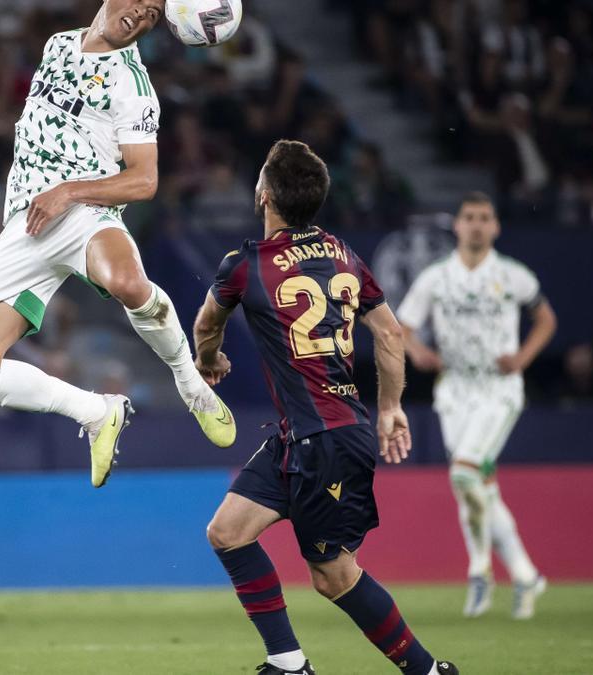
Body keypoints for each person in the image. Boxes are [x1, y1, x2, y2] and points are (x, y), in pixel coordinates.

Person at [0, 0, 236, 490]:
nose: (140, 15)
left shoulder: (135, 87)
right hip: (26, 224)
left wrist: (68, 192)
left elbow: (144, 181)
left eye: (151, 15)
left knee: (126, 282)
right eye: (138, 3)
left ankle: (191, 386)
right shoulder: (57, 44)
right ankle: (97, 412)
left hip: (85, 211)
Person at [193, 140, 458, 675]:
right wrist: (390, 409)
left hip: (325, 440)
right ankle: (289, 663)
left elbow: (205, 325)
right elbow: (389, 332)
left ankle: (428, 672)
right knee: (227, 531)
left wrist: (210, 358)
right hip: (311, 433)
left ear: (264, 194)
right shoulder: (343, 255)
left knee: (333, 575)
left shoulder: (244, 265)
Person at [395, 192, 556, 620]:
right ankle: (525, 574)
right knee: (479, 486)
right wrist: (417, 352)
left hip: (498, 390)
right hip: (454, 392)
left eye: (485, 217)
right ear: (458, 226)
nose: (478, 224)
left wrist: (522, 358)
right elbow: (402, 326)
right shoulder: (436, 278)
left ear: (496, 227)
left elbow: (546, 318)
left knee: (464, 473)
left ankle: (479, 570)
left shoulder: (512, 275)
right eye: (470, 217)